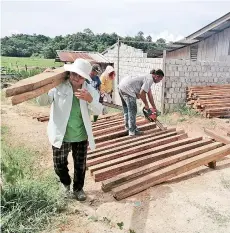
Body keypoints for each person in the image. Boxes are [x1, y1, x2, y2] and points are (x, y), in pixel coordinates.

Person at [37, 58, 103, 201]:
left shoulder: (90, 90)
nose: (75, 77)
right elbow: (42, 102)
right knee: (59, 164)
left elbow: (99, 110)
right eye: (74, 73)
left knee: (80, 165)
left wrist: (90, 99)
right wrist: (44, 85)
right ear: (70, 72)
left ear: (84, 77)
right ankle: (65, 183)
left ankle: (78, 189)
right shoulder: (59, 86)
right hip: (61, 134)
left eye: (80, 76)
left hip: (80, 135)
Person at [118, 69, 164, 136]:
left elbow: (149, 95)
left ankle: (128, 128)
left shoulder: (147, 77)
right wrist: (146, 105)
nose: (159, 81)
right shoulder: (150, 79)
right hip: (127, 89)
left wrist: (154, 108)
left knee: (127, 110)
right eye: (160, 79)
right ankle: (132, 132)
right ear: (157, 76)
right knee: (132, 111)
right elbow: (142, 94)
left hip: (121, 87)